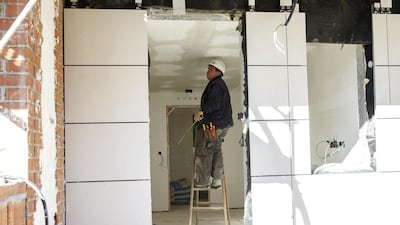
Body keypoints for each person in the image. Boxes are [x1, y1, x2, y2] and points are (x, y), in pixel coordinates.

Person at [193, 59, 233, 189]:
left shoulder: (216, 85)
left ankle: (203, 181)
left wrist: (201, 111)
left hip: (217, 124)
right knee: (215, 150)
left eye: (210, 69)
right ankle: (216, 180)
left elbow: (215, 104)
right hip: (220, 123)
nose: (207, 71)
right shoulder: (218, 84)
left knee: (205, 150)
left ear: (218, 72)